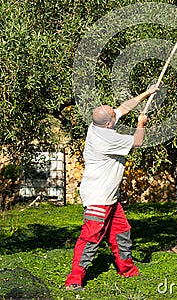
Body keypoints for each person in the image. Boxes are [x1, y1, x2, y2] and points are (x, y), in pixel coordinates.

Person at [65, 85, 158, 291]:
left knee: (122, 232)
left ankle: (127, 270)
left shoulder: (96, 125)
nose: (116, 116)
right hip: (98, 198)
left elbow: (122, 108)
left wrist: (147, 93)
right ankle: (74, 280)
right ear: (108, 124)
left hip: (110, 197)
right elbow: (138, 141)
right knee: (91, 238)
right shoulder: (107, 139)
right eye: (113, 118)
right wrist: (141, 124)